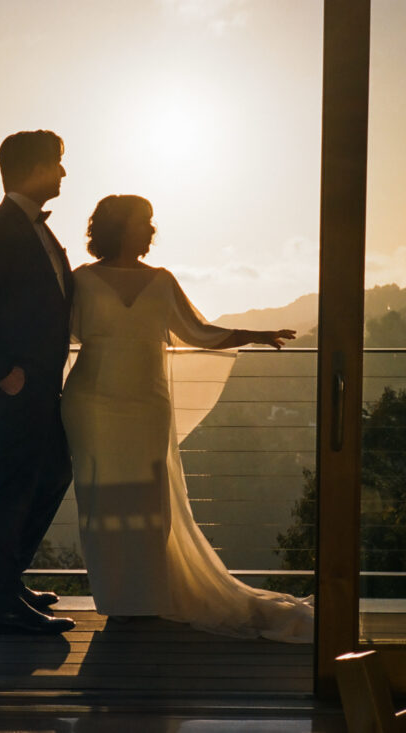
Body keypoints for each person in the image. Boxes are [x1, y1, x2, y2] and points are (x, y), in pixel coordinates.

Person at [61, 194, 314, 643]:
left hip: (146, 403)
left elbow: (199, 332)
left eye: (151, 222)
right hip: (92, 403)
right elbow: (55, 332)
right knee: (100, 500)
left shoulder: (162, 281)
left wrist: (253, 335)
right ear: (118, 226)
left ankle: (145, 597)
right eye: (144, 221)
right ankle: (117, 600)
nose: (150, 230)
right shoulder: (80, 280)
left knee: (149, 498)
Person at [0, 130, 76, 634]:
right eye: (57, 163)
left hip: (43, 383)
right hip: (21, 386)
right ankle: (3, 600)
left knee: (51, 475)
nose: (64, 173)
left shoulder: (31, 229)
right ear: (33, 168)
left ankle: (1, 580)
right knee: (13, 485)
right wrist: (4, 373)